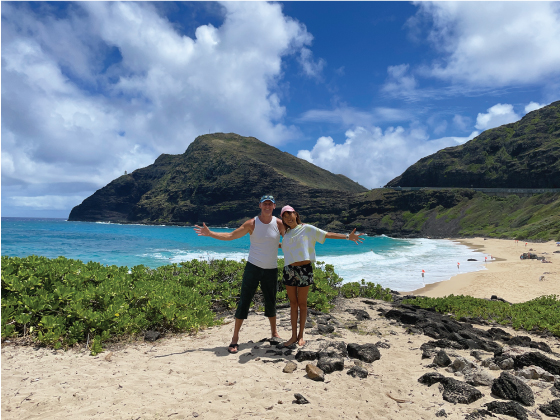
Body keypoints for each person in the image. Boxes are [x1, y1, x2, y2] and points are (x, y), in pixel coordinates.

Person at [194, 195, 285, 354]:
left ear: (274, 206)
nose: (267, 207)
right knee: (244, 301)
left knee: (271, 301)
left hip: (271, 269)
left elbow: (291, 239)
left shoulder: (279, 223)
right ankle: (235, 338)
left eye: (270, 204)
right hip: (253, 267)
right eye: (265, 204)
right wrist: (210, 233)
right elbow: (231, 236)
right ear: (260, 206)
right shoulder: (252, 223)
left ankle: (274, 333)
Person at [279, 205, 364, 347]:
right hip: (289, 271)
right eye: (284, 216)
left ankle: (301, 336)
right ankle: (293, 336)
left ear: (295, 214)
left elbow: (326, 234)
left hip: (304, 270)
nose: (288, 218)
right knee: (293, 304)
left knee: (302, 304)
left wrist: (348, 237)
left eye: (289, 214)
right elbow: (286, 247)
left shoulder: (306, 228)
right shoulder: (287, 234)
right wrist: (266, 244)